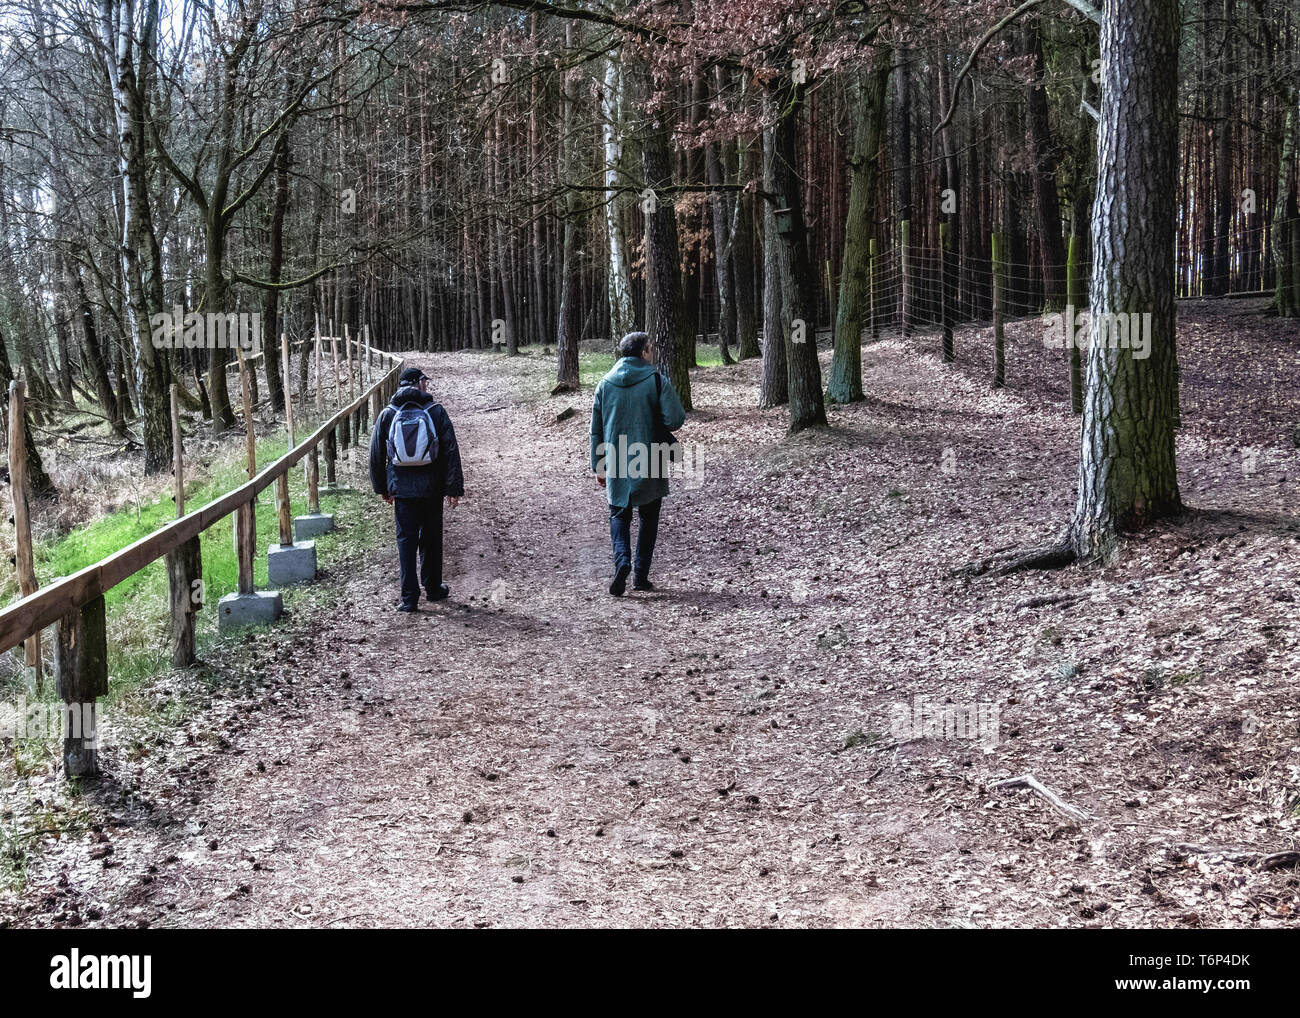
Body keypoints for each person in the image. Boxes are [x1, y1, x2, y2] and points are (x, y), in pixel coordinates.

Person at [590, 331, 686, 596]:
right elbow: (675, 419)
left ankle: (623, 562)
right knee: (649, 516)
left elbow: (595, 429)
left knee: (618, 515)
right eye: (651, 349)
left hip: (616, 457)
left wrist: (598, 465)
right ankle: (640, 577)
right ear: (643, 352)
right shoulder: (656, 380)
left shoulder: (604, 384)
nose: (653, 353)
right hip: (650, 456)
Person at [369, 367, 464, 612]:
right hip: (431, 489)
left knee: (406, 541)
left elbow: (377, 454)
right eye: (425, 381)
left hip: (402, 490)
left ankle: (409, 598)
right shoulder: (436, 412)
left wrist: (383, 487)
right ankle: (433, 588)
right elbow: (451, 451)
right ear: (417, 384)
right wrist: (453, 487)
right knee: (431, 539)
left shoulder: (388, 414)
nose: (427, 385)